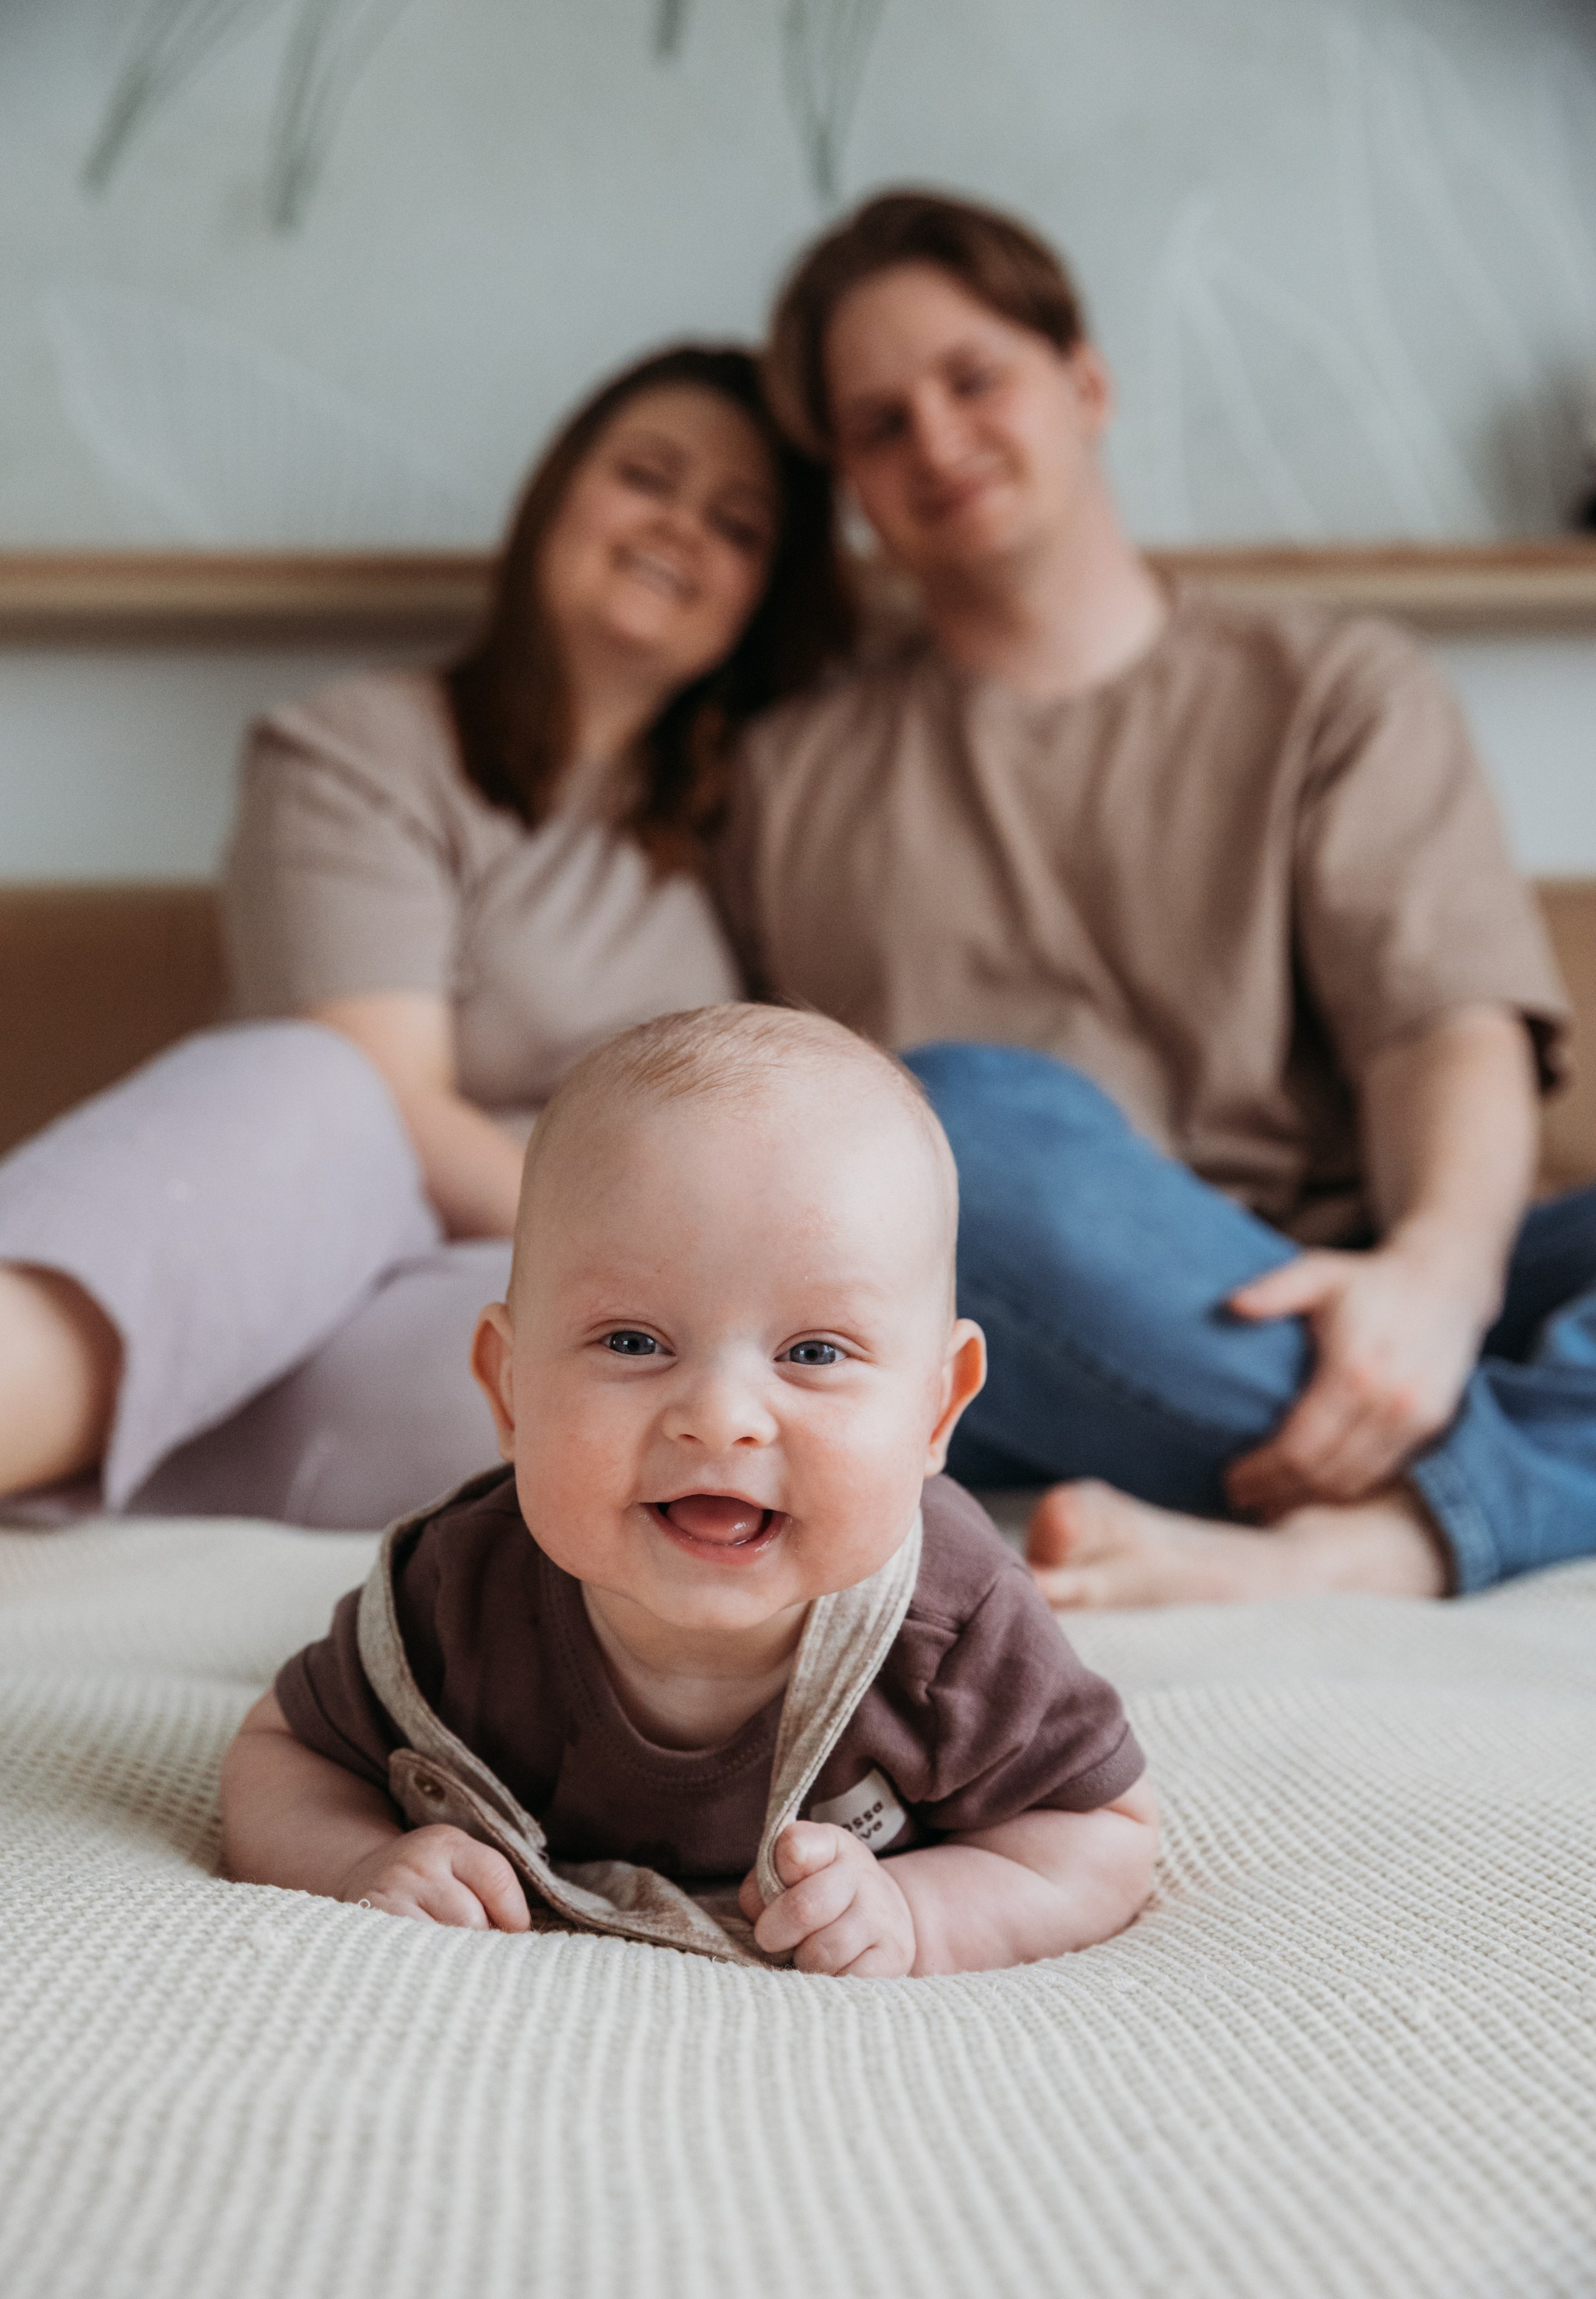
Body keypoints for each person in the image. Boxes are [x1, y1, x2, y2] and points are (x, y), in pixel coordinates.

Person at [718, 187, 1595, 1608]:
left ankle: (1391, 1534)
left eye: (972, 378)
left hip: (1341, 1281)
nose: (935, 441)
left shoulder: (1329, 689)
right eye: (878, 426)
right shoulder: (786, 774)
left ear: (1085, 380)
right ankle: (1512, 1472)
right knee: (939, 1127)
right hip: (1013, 1314)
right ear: (851, 488)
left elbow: (1440, 1023)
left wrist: (1432, 1278)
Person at [0, 345, 852, 1528]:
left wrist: (674, 1313)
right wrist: (674, 1267)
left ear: (763, 596)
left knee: (572, 1412)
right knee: (318, 1082)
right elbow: (388, 1107)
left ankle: (92, 1433)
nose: (682, 530)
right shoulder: (357, 749)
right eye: (646, 477)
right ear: (555, 494)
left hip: (543, 1316)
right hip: (312, 1240)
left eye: (739, 526)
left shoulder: (752, 829)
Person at [220, 1006, 1158, 1977]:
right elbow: (284, 1756)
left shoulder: (956, 1633)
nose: (719, 1418)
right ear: (510, 1388)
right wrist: (360, 1858)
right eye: (633, 1342)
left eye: (814, 1352)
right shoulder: (458, 1590)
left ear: (934, 1411)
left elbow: (1102, 1835)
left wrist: (921, 1913)